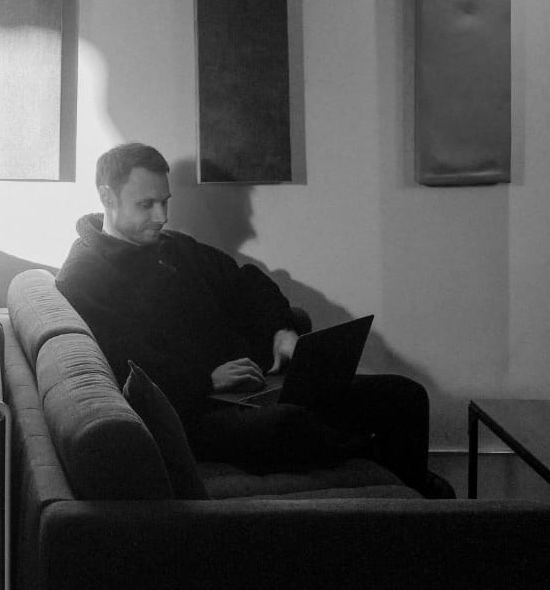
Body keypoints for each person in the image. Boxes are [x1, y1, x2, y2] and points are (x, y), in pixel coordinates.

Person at [56, 143, 451, 496]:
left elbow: (248, 283)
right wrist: (205, 381)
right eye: (146, 205)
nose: (161, 216)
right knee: (286, 425)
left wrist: (281, 331)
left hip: (253, 388)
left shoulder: (175, 249)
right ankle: (374, 460)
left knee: (405, 395)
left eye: (165, 201)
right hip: (194, 412)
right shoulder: (86, 275)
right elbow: (120, 359)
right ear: (107, 196)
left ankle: (413, 497)